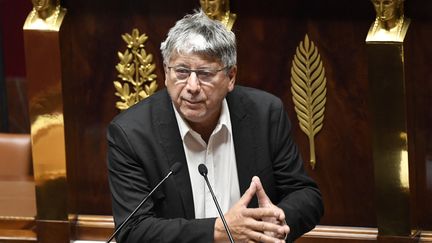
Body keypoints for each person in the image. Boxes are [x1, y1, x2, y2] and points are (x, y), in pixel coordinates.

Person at [107, 10, 323, 243]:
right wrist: (217, 231)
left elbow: (307, 196)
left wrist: (277, 220)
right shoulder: (131, 133)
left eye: (205, 73)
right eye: (181, 72)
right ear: (166, 73)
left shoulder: (265, 114)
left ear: (231, 77)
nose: (192, 86)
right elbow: (132, 230)